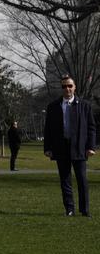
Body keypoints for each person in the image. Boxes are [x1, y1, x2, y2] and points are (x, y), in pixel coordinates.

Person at [43, 75, 96, 217]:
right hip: (61, 147)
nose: (67, 89)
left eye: (69, 86)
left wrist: (91, 147)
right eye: (64, 86)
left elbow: (91, 128)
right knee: (65, 180)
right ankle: (69, 209)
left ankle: (84, 210)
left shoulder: (84, 106)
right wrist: (47, 148)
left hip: (79, 148)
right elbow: (48, 129)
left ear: (74, 87)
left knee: (82, 180)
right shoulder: (53, 107)